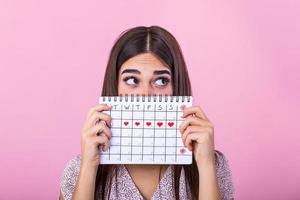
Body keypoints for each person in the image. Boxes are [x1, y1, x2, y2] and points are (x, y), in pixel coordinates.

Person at [59, 25, 235, 200]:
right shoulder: (79, 170)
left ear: (176, 88)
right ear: (115, 87)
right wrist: (89, 166)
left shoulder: (213, 166)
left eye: (160, 81)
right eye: (131, 79)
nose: (145, 94)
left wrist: (205, 166)